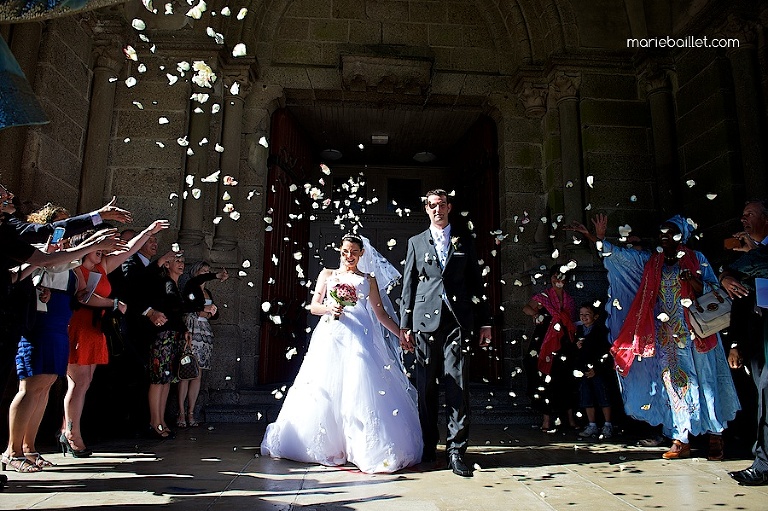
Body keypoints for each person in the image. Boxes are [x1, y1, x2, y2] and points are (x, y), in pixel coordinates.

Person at [261, 234, 422, 473]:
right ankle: (329, 445)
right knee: (325, 386)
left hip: (361, 336)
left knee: (362, 387)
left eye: (354, 252)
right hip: (332, 335)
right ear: (340, 251)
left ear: (361, 254)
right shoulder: (328, 275)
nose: (349, 256)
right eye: (345, 251)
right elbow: (314, 306)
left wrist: (400, 334)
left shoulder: (369, 279)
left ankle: (361, 446)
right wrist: (330, 307)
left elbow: (380, 314)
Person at [588, 213, 739, 460]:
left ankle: (715, 435)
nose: (664, 237)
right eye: (662, 234)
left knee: (705, 381)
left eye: (670, 233)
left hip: (697, 333)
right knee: (674, 385)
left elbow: (715, 291)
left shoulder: (696, 259)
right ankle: (681, 437)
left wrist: (693, 280)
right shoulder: (652, 262)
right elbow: (621, 257)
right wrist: (599, 238)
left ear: (682, 236)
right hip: (667, 337)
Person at [399, 189, 492, 477]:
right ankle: (429, 444)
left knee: (458, 385)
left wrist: (485, 322)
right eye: (431, 206)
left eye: (441, 205)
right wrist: (405, 325)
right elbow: (409, 285)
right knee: (426, 387)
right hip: (424, 323)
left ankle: (456, 450)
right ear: (426, 210)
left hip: (458, 322)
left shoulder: (465, 241)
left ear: (449, 207)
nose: (436, 209)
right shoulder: (416, 242)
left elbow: (477, 283)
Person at [61, 220, 169, 456]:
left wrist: (148, 231)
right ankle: (71, 434)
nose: (101, 254)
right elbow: (82, 297)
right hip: (80, 326)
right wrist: (113, 303)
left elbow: (129, 249)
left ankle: (67, 428)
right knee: (78, 383)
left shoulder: (102, 267)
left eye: (102, 251)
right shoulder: (77, 268)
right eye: (97, 249)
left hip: (97, 328)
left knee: (85, 382)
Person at [720, 200, 768, 485]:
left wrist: (754, 253)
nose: (743, 219)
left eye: (749, 214)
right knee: (763, 395)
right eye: (742, 214)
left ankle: (763, 464)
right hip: (757, 331)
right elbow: (737, 294)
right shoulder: (745, 254)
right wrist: (726, 276)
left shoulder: (755, 253)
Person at [144, 252, 213, 439]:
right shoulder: (165, 283)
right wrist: (200, 309)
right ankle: (154, 422)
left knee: (167, 380)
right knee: (158, 379)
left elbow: (176, 314)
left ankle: (162, 421)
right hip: (162, 335)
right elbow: (174, 308)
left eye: (183, 261)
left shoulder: (174, 285)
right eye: (176, 261)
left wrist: (184, 330)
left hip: (174, 334)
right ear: (167, 264)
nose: (181, 264)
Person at [522, 265, 578, 433]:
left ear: (566, 280)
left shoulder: (569, 300)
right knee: (543, 377)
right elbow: (526, 307)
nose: (558, 280)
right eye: (555, 276)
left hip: (563, 342)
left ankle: (569, 418)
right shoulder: (544, 297)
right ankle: (546, 419)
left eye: (561, 277)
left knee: (564, 378)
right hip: (544, 341)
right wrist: (535, 314)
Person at [177, 261, 228, 428]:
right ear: (195, 273)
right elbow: (189, 307)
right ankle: (181, 413)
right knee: (186, 372)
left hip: (204, 333)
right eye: (203, 271)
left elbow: (215, 314)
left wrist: (212, 312)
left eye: (208, 271)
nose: (206, 273)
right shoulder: (191, 286)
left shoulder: (207, 292)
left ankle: (191, 412)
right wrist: (216, 275)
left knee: (197, 374)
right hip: (192, 330)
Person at [574, 302, 614, 439]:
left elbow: (604, 352)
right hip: (583, 369)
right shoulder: (578, 331)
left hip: (598, 369)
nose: (584, 317)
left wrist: (596, 369)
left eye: (587, 314)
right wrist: (577, 346)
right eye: (581, 315)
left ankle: (608, 424)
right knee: (587, 396)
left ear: (595, 316)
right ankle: (592, 424)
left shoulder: (601, 331)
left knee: (603, 395)